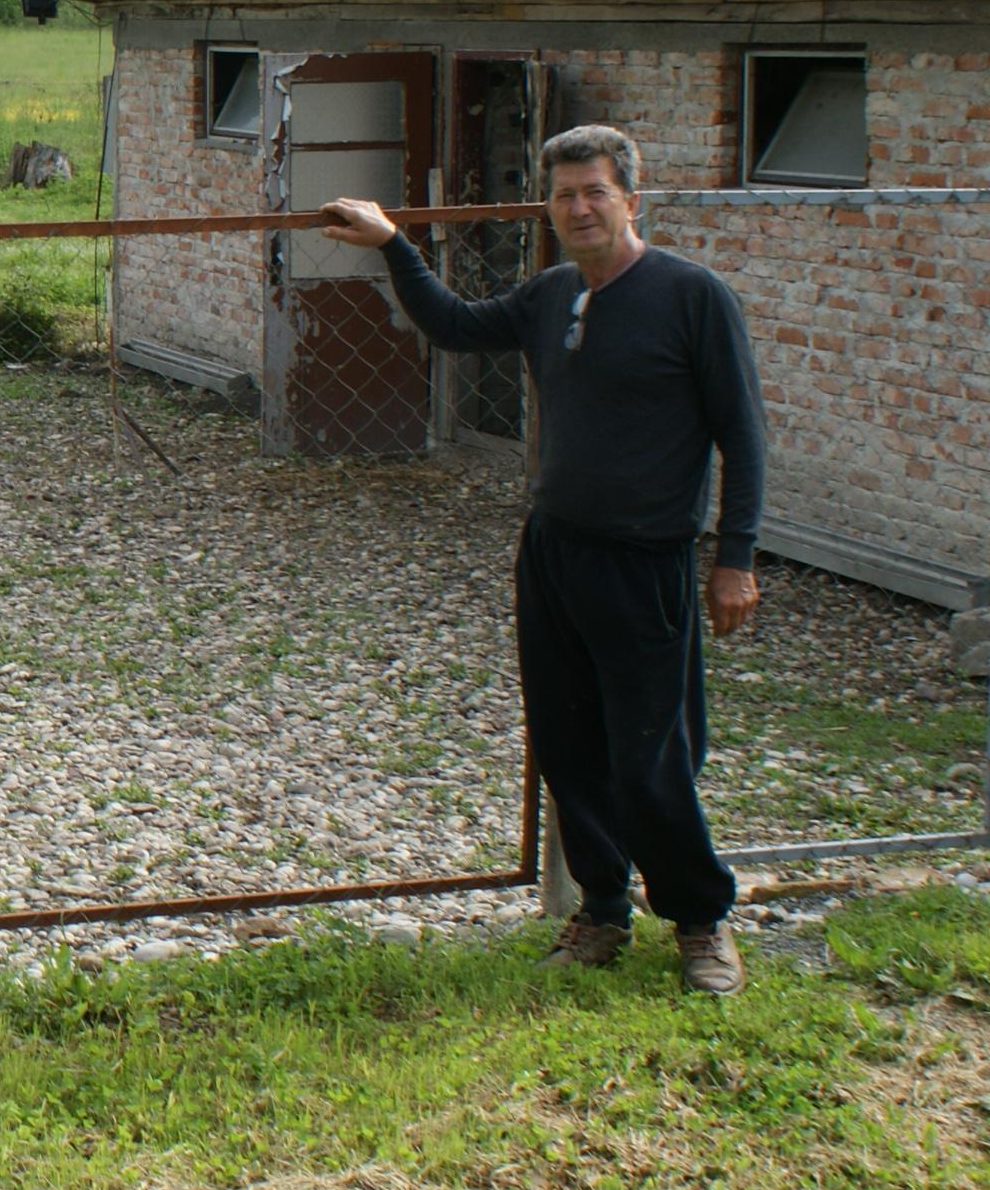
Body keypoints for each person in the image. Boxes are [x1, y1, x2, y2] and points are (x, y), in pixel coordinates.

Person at [318, 123, 764, 995]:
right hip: (555, 554)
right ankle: (602, 910)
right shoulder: (552, 293)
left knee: (652, 754)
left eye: (596, 191)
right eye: (564, 195)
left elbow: (742, 440)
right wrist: (394, 245)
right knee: (568, 743)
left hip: (649, 562)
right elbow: (452, 324)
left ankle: (701, 923)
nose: (581, 207)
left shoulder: (692, 297)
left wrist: (735, 560)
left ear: (632, 199)